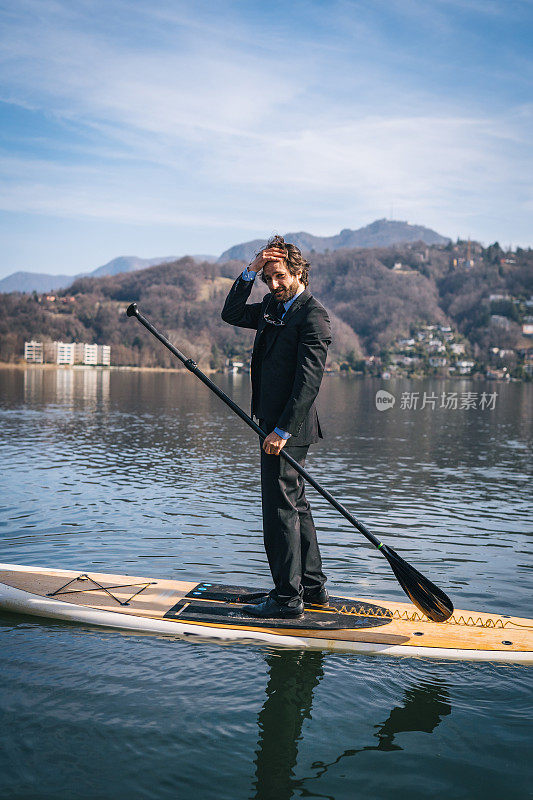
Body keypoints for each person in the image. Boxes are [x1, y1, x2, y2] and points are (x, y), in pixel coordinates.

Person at [221, 235, 332, 619]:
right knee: (295, 505)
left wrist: (282, 432)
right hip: (271, 424)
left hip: (289, 429)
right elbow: (232, 314)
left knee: (280, 511)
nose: (274, 284)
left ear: (298, 272)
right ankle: (312, 590)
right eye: (268, 278)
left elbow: (308, 382)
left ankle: (287, 599)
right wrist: (250, 271)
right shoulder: (272, 304)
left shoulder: (313, 315)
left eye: (279, 276)